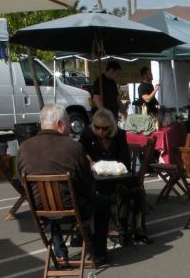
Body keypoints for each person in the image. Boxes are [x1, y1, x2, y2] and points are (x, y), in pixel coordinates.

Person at [18, 104, 112, 264]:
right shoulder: (73, 148)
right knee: (104, 202)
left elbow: (22, 181)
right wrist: (90, 194)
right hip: (72, 208)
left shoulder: (24, 148)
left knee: (51, 204)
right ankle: (97, 251)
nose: (70, 127)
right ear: (60, 125)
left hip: (40, 208)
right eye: (68, 123)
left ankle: (60, 252)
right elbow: (87, 184)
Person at [79, 108, 152, 246]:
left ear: (111, 127)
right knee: (121, 192)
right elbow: (80, 153)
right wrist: (89, 159)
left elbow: (124, 161)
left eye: (104, 128)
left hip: (118, 175)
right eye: (97, 127)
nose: (100, 131)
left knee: (138, 191)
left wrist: (112, 167)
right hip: (97, 180)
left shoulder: (119, 135)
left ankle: (139, 230)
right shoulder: (87, 135)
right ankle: (122, 231)